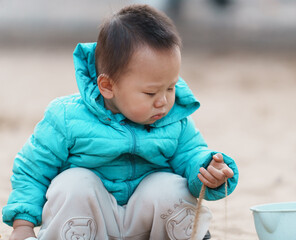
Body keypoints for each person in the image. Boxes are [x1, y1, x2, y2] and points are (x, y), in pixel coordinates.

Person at [2, 4, 238, 240]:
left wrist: (207, 171)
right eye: (150, 93)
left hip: (146, 225)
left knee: (171, 186)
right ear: (108, 87)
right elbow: (32, 171)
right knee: (72, 184)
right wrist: (22, 224)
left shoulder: (175, 120)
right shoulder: (65, 118)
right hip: (89, 225)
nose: (163, 101)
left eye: (170, 87)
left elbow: (191, 154)